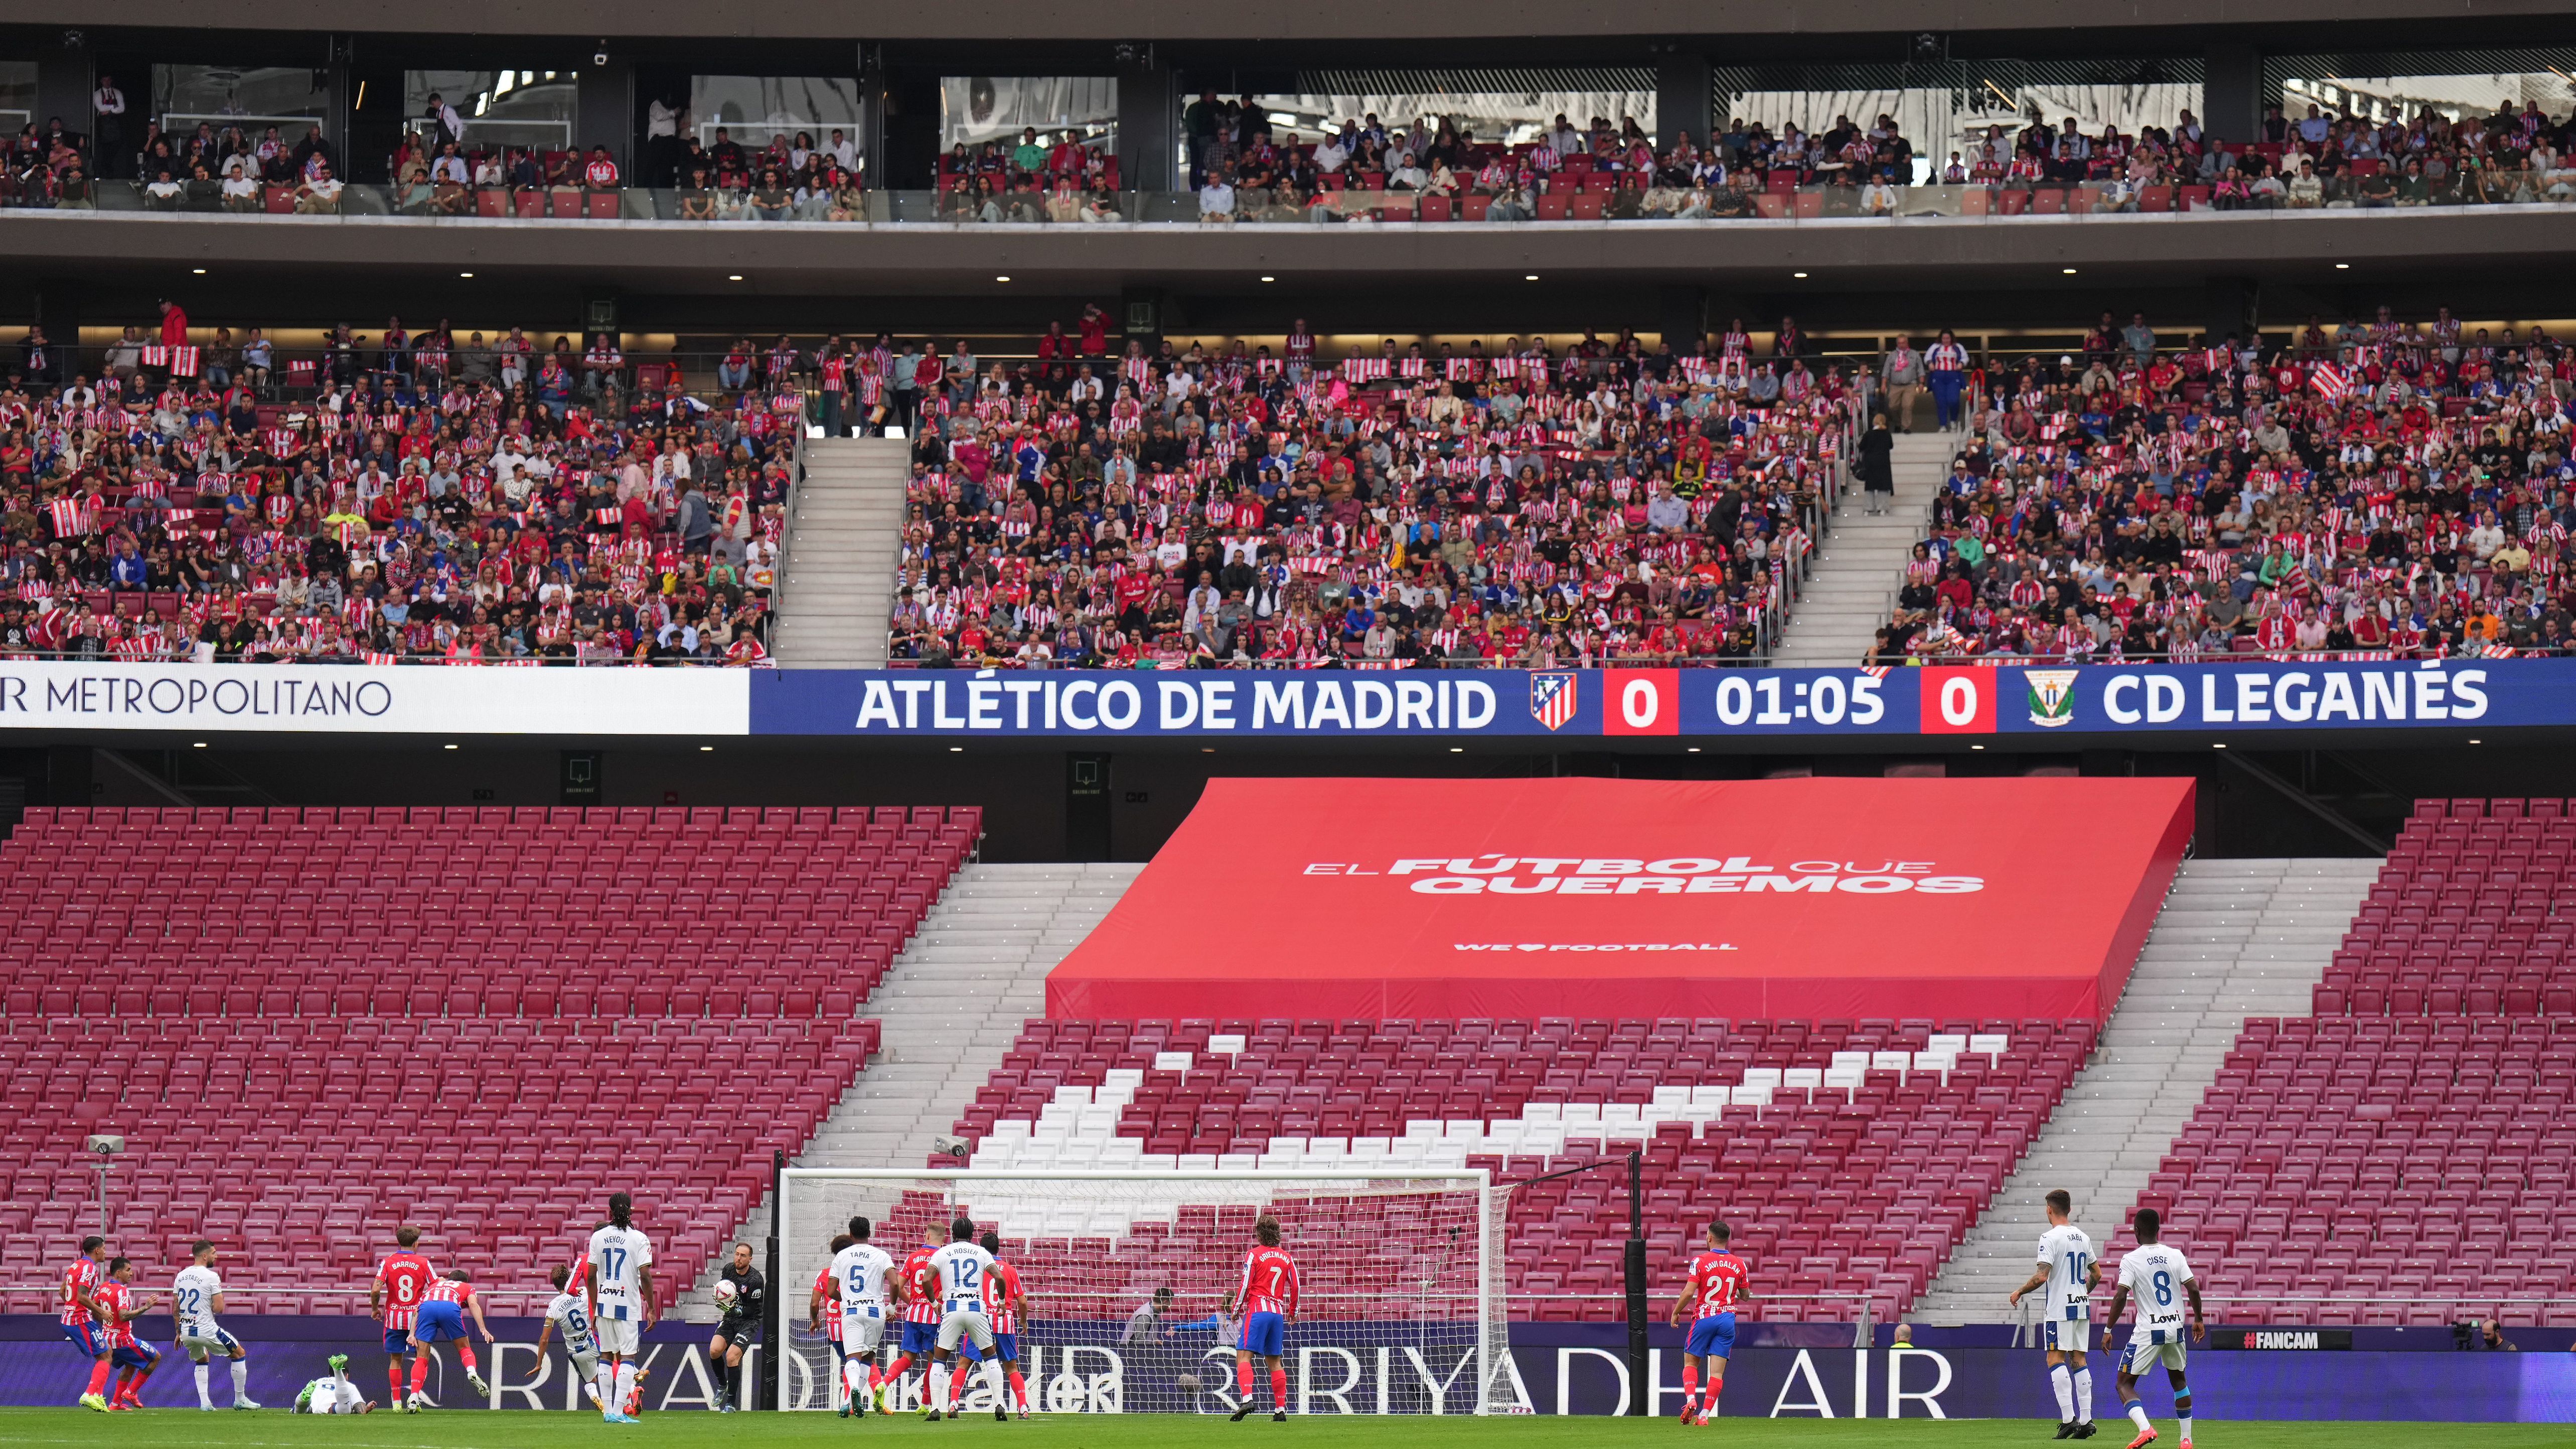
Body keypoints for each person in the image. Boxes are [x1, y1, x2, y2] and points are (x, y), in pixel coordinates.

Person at [2104, 1207, 2203, 1449]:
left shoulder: (2131, 1259)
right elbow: (2194, 1289)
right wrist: (2198, 1319)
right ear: (2158, 1229)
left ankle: (2145, 1429)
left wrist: (2108, 1329)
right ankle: (2186, 1440)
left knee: (2124, 1383)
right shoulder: (2175, 1255)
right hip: (2176, 1328)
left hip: (2149, 1330)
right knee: (2179, 1380)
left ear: (2136, 1231)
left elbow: (2120, 1296)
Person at [2009, 1188, 2099, 1439]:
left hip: (2060, 1308)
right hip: (2081, 1306)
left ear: (2049, 1209)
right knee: (2079, 1360)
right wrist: (2082, 1292)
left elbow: (2042, 1276)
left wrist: (2019, 1291)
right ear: (2069, 1209)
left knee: (2054, 1359)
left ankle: (2069, 1420)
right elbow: (2097, 1274)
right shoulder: (2083, 1237)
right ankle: (2087, 1420)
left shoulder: (2049, 1238)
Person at [1668, 1219, 1749, 1425]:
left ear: (1709, 1237)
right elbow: (1746, 1295)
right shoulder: (1740, 1264)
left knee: (1691, 1362)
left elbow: (1688, 1292)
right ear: (1727, 1240)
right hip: (1728, 1320)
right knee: (1717, 1372)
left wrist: (1676, 1312)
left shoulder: (1700, 1261)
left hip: (1705, 1318)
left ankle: (1690, 1399)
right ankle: (1704, 1415)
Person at [586, 1190, 656, 1423]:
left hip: (604, 1304)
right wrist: (652, 1308)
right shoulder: (639, 1238)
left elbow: (591, 1276)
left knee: (606, 1356)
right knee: (627, 1358)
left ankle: (607, 1413)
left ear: (610, 1212)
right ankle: (618, 1413)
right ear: (631, 1210)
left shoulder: (598, 1237)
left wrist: (594, 1307)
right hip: (627, 1304)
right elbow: (645, 1275)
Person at [923, 1216, 1001, 1421]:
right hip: (976, 1309)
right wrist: (1001, 1300)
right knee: (991, 1358)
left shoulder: (942, 1252)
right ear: (972, 1234)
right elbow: (999, 1278)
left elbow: (926, 1280)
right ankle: (1000, 1405)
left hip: (952, 1309)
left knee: (940, 1359)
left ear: (953, 1234)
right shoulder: (982, 1252)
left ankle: (936, 1409)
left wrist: (934, 1304)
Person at [1226, 1213, 1298, 1422]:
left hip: (1258, 1310)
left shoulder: (1253, 1255)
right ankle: (1280, 1410)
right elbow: (1296, 1286)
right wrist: (1292, 1310)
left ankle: (1247, 1398)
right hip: (1277, 1313)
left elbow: (1246, 1283)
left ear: (1259, 1233)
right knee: (1275, 1360)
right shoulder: (1287, 1257)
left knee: (1243, 1356)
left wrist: (1236, 1307)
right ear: (1278, 1234)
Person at [174, 1239, 259, 1410]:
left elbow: (176, 1308)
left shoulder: (181, 1276)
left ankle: (205, 1404)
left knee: (202, 1358)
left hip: (186, 1331)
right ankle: (240, 1400)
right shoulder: (212, 1276)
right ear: (204, 1256)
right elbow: (219, 1308)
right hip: (207, 1330)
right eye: (214, 1253)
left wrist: (178, 1332)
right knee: (239, 1353)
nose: (216, 1256)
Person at [827, 1216, 898, 1417]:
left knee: (852, 1358)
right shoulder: (881, 1255)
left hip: (851, 1312)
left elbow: (831, 1290)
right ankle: (848, 1403)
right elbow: (894, 1284)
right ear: (870, 1234)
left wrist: (847, 1298)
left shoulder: (841, 1256)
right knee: (868, 1358)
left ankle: (852, 1393)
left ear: (850, 1235)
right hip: (876, 1313)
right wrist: (891, 1307)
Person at [369, 1227, 436, 1414]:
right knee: (422, 1357)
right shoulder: (423, 1263)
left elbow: (375, 1290)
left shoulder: (388, 1262)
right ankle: (414, 1397)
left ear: (399, 1242)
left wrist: (375, 1309)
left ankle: (396, 1403)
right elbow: (436, 1286)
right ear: (416, 1243)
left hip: (394, 1319)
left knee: (396, 1359)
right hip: (418, 1319)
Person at [410, 1270, 495, 1405]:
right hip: (449, 1307)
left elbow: (416, 1310)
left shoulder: (434, 1286)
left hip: (426, 1308)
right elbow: (473, 1304)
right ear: (464, 1281)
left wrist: (411, 1334)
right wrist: (482, 1328)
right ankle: (471, 1372)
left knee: (421, 1357)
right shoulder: (467, 1287)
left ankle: (414, 1397)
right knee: (464, 1347)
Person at [886, 1222, 946, 1412]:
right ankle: (925, 1404)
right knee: (933, 1360)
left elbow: (898, 1284)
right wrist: (937, 1300)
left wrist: (911, 1299)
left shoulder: (913, 1258)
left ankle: (883, 1383)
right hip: (933, 1315)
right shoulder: (943, 1257)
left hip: (913, 1314)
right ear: (943, 1240)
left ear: (927, 1236)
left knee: (907, 1357)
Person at [534, 1263, 609, 1411]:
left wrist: (539, 1363)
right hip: (594, 1342)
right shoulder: (584, 1293)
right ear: (569, 1280)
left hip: (577, 1352)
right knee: (611, 1367)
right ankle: (630, 1390)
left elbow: (544, 1339)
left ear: (554, 1286)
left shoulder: (553, 1307)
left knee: (590, 1381)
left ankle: (595, 1397)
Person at [708, 1241, 767, 1412]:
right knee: (714, 1350)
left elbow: (752, 1310)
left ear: (750, 1259)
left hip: (749, 1322)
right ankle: (722, 1384)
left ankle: (731, 1404)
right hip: (730, 1319)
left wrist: (734, 1309)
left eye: (743, 1256)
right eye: (737, 1254)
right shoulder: (727, 1270)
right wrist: (721, 1300)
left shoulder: (755, 1280)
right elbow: (723, 1292)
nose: (738, 1258)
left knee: (732, 1357)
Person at [97, 1257, 163, 1410]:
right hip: (122, 1339)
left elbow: (95, 1306)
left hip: (107, 1339)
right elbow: (124, 1316)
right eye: (128, 1270)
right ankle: (131, 1392)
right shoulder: (122, 1291)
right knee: (156, 1357)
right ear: (119, 1273)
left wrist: (106, 1323)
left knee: (130, 1366)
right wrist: (146, 1307)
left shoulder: (104, 1287)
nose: (131, 1273)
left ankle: (115, 1404)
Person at [980, 1231, 1032, 1418]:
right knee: (1011, 1367)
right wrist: (1023, 1321)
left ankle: (953, 1404)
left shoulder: (980, 1268)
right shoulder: (1010, 1269)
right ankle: (1023, 1407)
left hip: (982, 1320)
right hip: (1005, 1320)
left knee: (965, 1362)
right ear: (998, 1248)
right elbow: (1023, 1302)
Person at [64, 1235, 114, 1411]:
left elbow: (63, 1291)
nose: (106, 1252)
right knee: (105, 1356)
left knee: (107, 1350)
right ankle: (89, 1394)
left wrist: (70, 1306)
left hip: (72, 1316)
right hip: (79, 1318)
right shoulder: (89, 1268)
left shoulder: (75, 1265)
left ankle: (98, 1396)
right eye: (105, 1249)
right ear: (97, 1250)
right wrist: (101, 1312)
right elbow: (82, 1297)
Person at [294, 1355, 377, 1413]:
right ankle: (337, 1370)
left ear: (329, 1376)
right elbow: (361, 1410)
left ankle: (302, 1402)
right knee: (345, 1411)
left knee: (301, 1411)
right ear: (347, 1376)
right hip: (332, 1406)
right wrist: (366, 1409)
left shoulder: (318, 1381)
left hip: (312, 1404)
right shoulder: (350, 1386)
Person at [1856, 412, 1895, 513]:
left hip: (1870, 462)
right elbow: (1891, 446)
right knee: (1883, 485)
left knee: (1870, 486)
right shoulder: (1887, 434)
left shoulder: (1869, 434)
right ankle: (1882, 508)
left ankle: (1868, 508)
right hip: (1884, 462)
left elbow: (1861, 447)